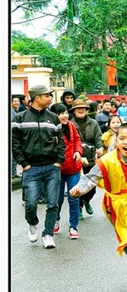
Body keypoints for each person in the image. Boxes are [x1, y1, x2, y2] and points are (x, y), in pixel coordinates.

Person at [69, 123, 127, 292]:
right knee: (126, 241)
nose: (125, 142)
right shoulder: (106, 161)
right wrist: (78, 190)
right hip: (114, 205)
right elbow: (89, 179)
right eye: (122, 138)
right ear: (116, 141)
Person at [12, 85, 65, 249]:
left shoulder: (54, 118)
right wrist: (24, 164)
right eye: (47, 95)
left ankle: (48, 234)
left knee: (53, 203)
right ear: (37, 98)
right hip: (31, 168)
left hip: (52, 167)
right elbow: (15, 144)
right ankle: (32, 222)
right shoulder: (19, 119)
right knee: (31, 203)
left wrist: (59, 161)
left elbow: (61, 142)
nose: (50, 98)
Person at [51, 104, 83, 239]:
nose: (65, 116)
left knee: (74, 198)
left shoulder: (71, 126)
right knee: (57, 199)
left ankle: (73, 227)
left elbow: (77, 140)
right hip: (57, 170)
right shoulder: (51, 129)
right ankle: (55, 219)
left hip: (73, 168)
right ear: (54, 116)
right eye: (60, 113)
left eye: (65, 113)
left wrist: (78, 151)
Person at [70, 99, 104, 218]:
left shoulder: (93, 123)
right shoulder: (70, 124)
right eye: (78, 108)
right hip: (76, 159)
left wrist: (100, 147)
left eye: (83, 108)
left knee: (92, 186)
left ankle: (87, 201)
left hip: (90, 159)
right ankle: (78, 207)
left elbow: (98, 137)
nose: (81, 110)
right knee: (78, 184)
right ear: (73, 111)